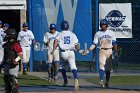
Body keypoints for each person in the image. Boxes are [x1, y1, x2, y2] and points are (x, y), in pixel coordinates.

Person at [82, 19, 118, 88]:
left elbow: (114, 43)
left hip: (109, 50)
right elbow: (94, 44)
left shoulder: (111, 33)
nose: (103, 26)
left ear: (107, 25)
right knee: (101, 65)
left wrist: (116, 52)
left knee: (108, 68)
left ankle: (107, 82)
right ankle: (101, 81)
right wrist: (88, 50)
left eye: (104, 24)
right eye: (102, 24)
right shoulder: (98, 33)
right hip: (102, 50)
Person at [52, 20, 83, 89]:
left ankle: (65, 80)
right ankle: (76, 79)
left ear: (61, 27)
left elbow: (55, 41)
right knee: (73, 67)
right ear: (68, 26)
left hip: (63, 53)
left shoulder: (59, 34)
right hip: (71, 52)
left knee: (62, 67)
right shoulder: (72, 34)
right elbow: (76, 44)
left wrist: (54, 49)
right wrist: (79, 50)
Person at [3, 29, 22, 93]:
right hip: (6, 64)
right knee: (6, 80)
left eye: (7, 35)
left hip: (12, 65)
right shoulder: (6, 44)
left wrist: (16, 60)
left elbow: (20, 55)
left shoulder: (15, 44)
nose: (6, 36)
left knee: (12, 80)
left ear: (11, 35)